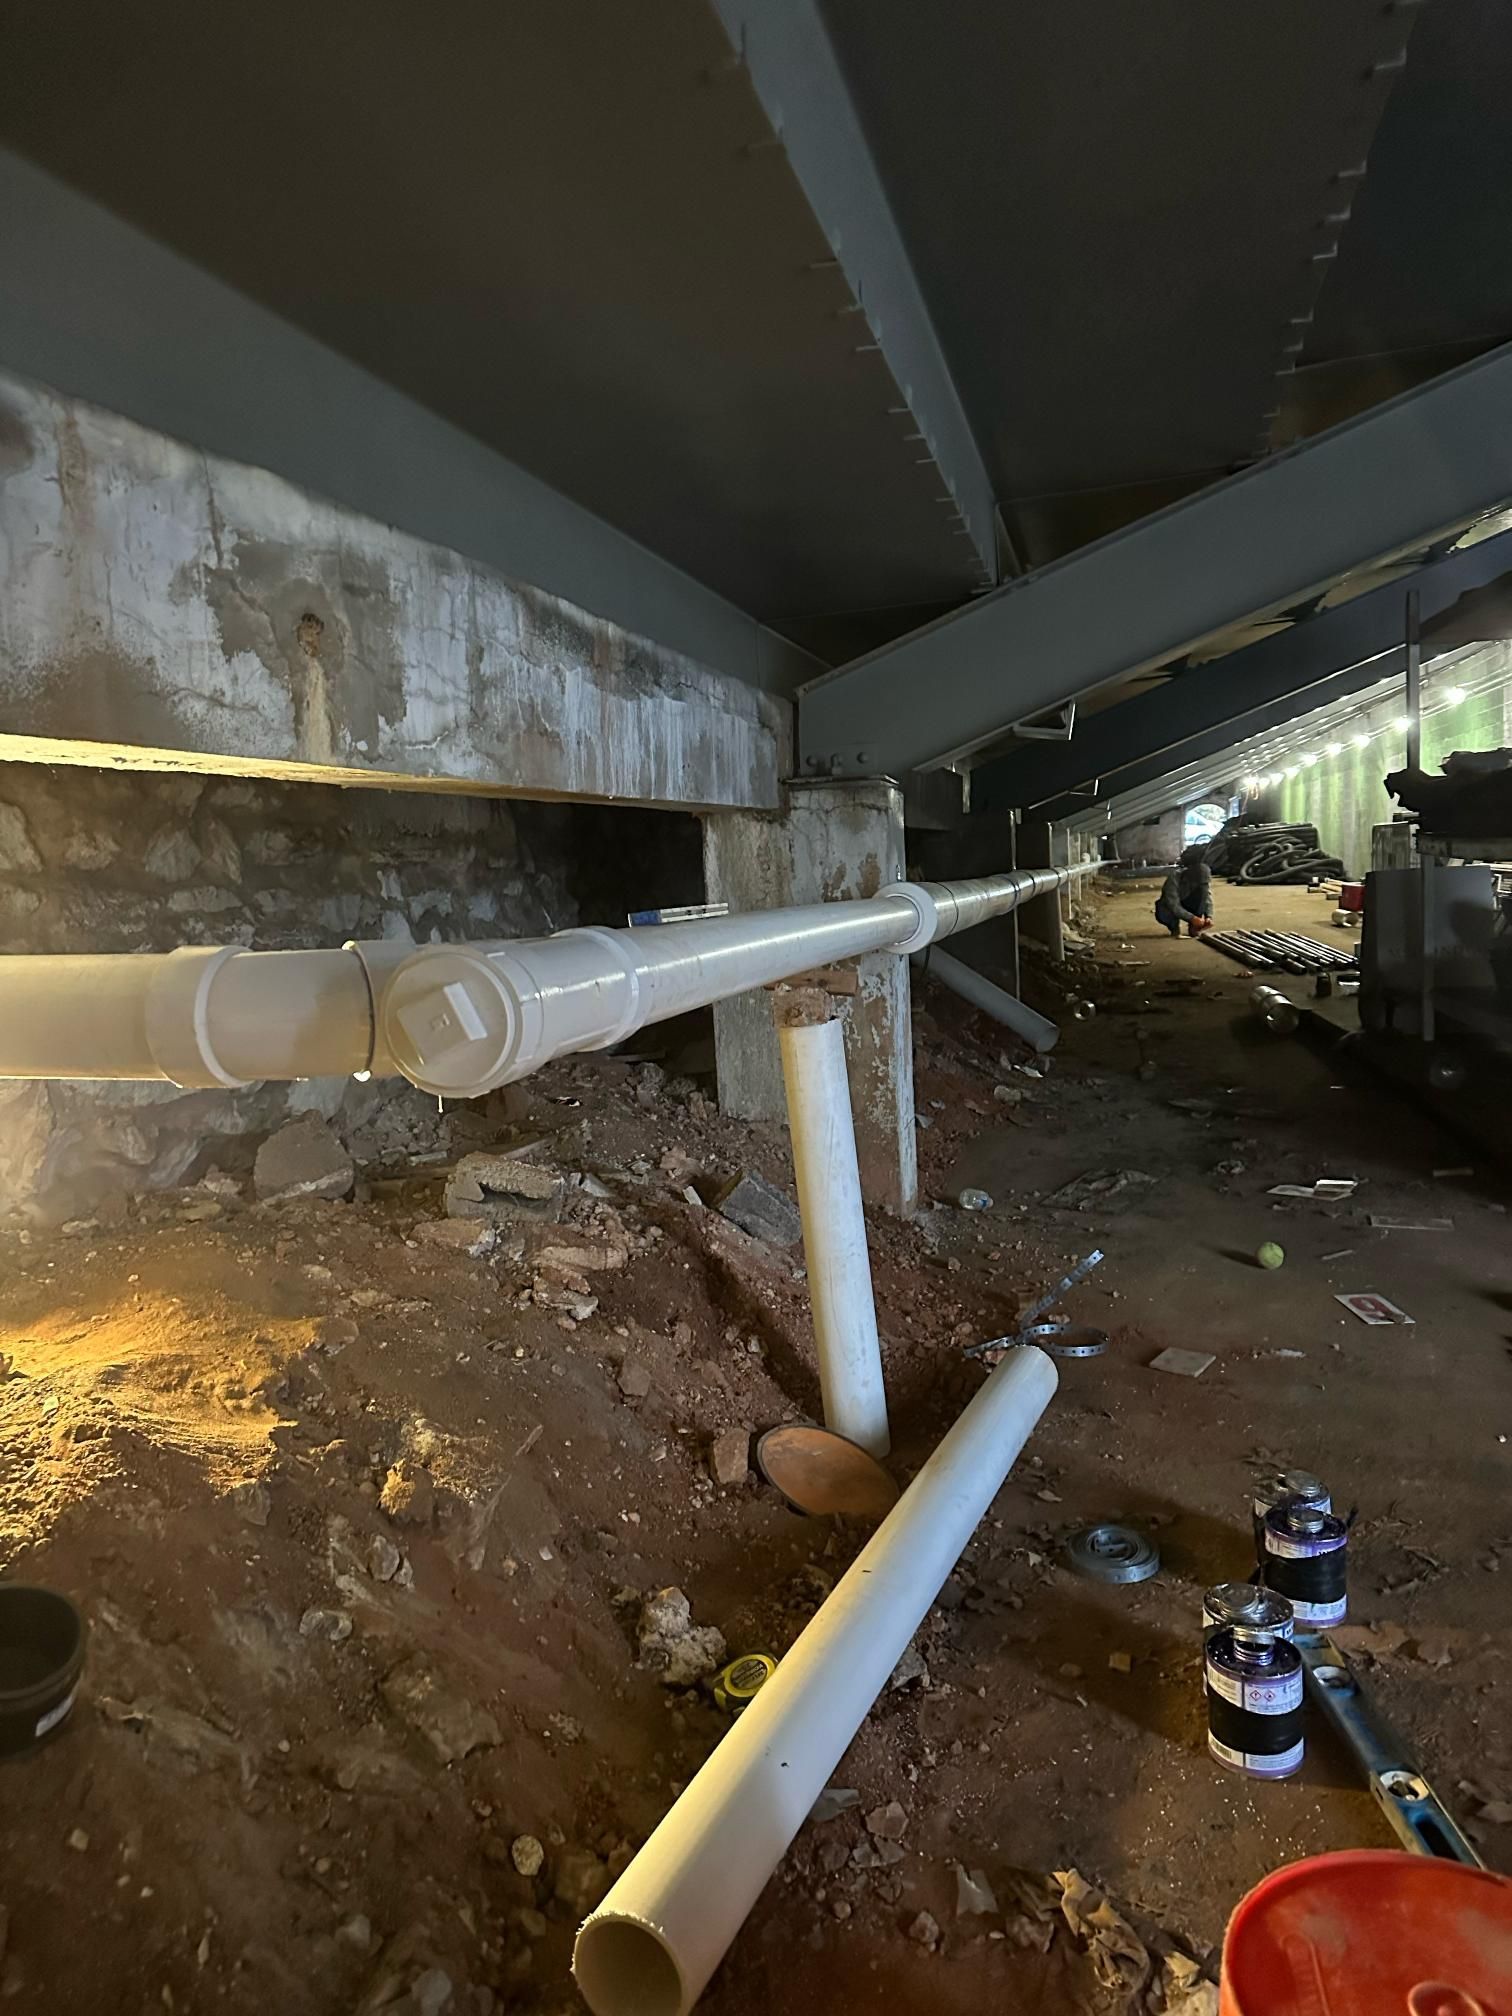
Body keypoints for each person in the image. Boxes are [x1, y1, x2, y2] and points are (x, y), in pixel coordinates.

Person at [1155, 847, 1214, 938]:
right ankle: (1174, 926)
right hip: (1174, 904)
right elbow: (1173, 904)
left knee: (1202, 894)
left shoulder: (1202, 881)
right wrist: (1191, 918)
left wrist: (1208, 917)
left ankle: (1195, 926)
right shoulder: (1175, 877)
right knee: (1164, 909)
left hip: (1188, 902)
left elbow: (1207, 898)